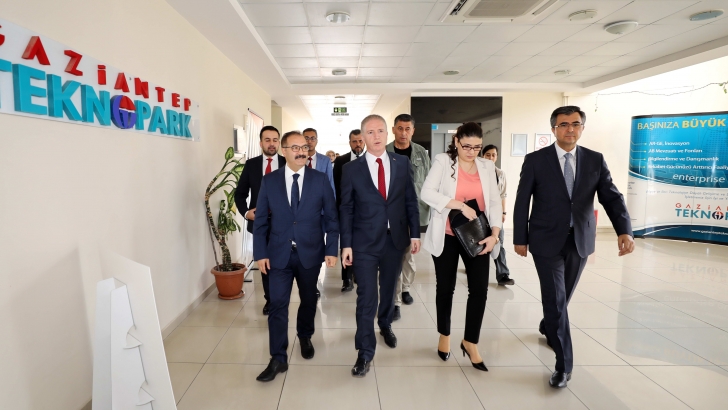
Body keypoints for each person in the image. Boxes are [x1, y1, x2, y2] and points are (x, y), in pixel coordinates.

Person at [513, 106, 634, 389]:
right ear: (553, 129)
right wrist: (520, 237)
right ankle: (563, 365)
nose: (570, 129)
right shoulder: (536, 160)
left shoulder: (594, 159)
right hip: (545, 240)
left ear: (582, 128)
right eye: (564, 124)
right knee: (555, 299)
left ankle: (548, 325)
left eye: (575, 124)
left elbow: (611, 197)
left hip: (579, 240)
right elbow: (522, 200)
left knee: (562, 297)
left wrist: (624, 230)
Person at [253, 131, 339, 382]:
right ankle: (278, 357)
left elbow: (332, 217)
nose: (302, 151)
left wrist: (331, 249)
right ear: (284, 151)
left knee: (309, 299)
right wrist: (260, 253)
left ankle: (305, 335)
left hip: (310, 252)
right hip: (278, 254)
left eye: (304, 147)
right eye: (295, 148)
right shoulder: (270, 181)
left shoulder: (319, 179)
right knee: (277, 304)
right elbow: (260, 221)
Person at [340, 114, 420, 378]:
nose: (376, 136)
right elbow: (346, 208)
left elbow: (410, 200)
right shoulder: (351, 169)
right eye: (370, 132)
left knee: (388, 288)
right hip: (363, 243)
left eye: (380, 131)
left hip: (394, 240)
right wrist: (346, 244)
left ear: (388, 134)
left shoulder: (402, 163)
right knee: (366, 297)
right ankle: (364, 352)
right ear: (363, 137)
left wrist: (415, 233)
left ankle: (385, 323)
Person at [421, 122, 502, 372]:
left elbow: (494, 202)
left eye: (477, 147)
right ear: (456, 141)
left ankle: (470, 341)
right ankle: (444, 335)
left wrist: (495, 234)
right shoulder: (444, 161)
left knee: (479, 290)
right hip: (446, 235)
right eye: (467, 146)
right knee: (445, 288)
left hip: (478, 235)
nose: (472, 152)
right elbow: (427, 193)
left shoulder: (487, 166)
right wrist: (459, 205)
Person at [234, 125, 285, 316]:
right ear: (260, 143)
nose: (271, 144)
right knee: (265, 262)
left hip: (285, 224)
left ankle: (281, 297)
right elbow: (239, 194)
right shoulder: (251, 165)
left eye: (275, 140)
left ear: (279, 142)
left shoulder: (287, 162)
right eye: (267, 140)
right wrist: (246, 213)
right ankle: (270, 300)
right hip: (260, 224)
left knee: (283, 263)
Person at [385, 114, 431, 321]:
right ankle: (394, 301)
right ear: (393, 129)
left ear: (413, 131)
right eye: (400, 128)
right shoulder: (385, 151)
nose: (403, 133)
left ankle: (405, 288)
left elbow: (428, 182)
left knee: (409, 255)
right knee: (394, 256)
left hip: (415, 210)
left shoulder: (421, 153)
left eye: (407, 129)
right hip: (392, 212)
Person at [333, 129, 365, 292]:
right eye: (354, 141)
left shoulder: (370, 159)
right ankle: (346, 279)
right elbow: (336, 186)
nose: (357, 144)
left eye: (360, 141)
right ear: (349, 143)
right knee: (346, 243)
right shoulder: (341, 161)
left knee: (361, 243)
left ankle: (358, 274)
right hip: (346, 210)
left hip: (365, 212)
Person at [481, 145, 514, 286]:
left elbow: (503, 195)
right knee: (478, 243)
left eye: (493, 155)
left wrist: (503, 212)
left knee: (498, 242)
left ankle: (503, 275)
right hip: (480, 214)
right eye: (487, 155)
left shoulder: (500, 174)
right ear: (482, 156)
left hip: (496, 214)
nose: (490, 157)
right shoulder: (477, 172)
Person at [302, 128, 335, 193]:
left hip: (320, 197)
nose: (309, 141)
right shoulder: (297, 158)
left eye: (312, 138)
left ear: (317, 141)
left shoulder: (325, 160)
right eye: (306, 138)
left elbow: (330, 182)